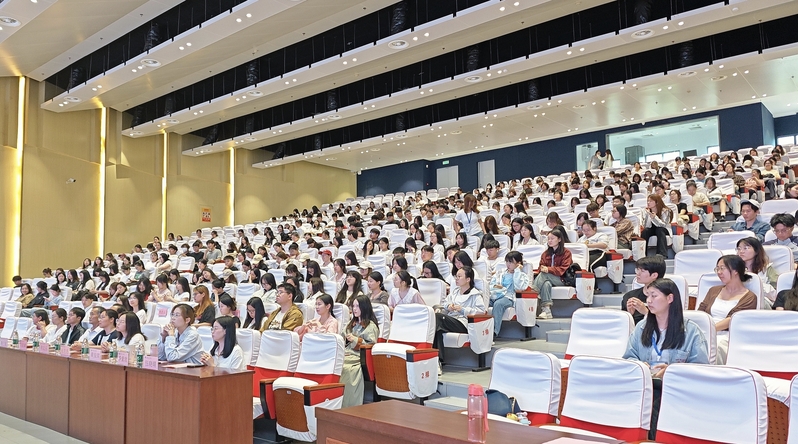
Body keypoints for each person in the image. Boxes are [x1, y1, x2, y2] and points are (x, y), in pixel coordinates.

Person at [622, 278, 710, 439]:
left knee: (654, 402)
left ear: (670, 298)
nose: (648, 300)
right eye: (648, 296)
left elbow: (701, 369)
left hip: (676, 388)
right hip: (646, 384)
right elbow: (628, 358)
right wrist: (639, 365)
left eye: (654, 296)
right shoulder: (641, 328)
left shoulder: (691, 331)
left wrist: (672, 370)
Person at [697, 255, 757, 364]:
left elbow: (733, 319)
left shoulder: (749, 297)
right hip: (705, 329)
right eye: (717, 269)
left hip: (728, 334)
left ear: (735, 271)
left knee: (716, 345)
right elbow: (701, 312)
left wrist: (709, 330)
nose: (719, 272)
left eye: (722, 268)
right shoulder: (713, 290)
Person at [434, 266, 485, 373]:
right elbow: (445, 303)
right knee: (437, 330)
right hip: (451, 320)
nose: (456, 279)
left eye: (459, 276)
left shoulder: (475, 294)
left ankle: (432, 358)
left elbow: (481, 312)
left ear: (468, 279)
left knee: (437, 318)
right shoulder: (455, 292)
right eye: (456, 276)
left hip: (463, 323)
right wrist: (448, 306)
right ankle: (437, 360)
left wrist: (463, 310)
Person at [340, 295, 379, 408]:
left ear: (364, 307)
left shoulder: (370, 326)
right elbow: (341, 338)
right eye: (353, 306)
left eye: (358, 306)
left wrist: (355, 340)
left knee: (348, 369)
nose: (355, 309)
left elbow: (371, 346)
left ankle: (349, 405)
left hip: (359, 357)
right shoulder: (350, 324)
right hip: (346, 354)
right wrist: (345, 339)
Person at [532, 228, 572, 319]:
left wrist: (548, 269)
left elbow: (563, 269)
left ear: (559, 239)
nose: (549, 241)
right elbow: (541, 267)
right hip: (548, 278)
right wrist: (543, 269)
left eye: (552, 238)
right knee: (546, 283)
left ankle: (533, 292)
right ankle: (546, 311)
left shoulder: (566, 253)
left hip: (562, 279)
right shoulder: (545, 254)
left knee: (544, 275)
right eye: (548, 239)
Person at [488, 251, 530, 336]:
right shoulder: (500, 273)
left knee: (498, 304)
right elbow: (491, 285)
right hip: (496, 295)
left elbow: (519, 288)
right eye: (507, 261)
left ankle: (493, 332)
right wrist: (496, 287)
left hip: (509, 297)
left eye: (511, 262)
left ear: (518, 263)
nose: (508, 264)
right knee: (484, 302)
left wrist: (517, 271)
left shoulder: (522, 276)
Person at [622, 256, 667, 325]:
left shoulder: (665, 297)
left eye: (642, 271)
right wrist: (629, 315)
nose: (638, 273)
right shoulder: (629, 296)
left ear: (654, 275)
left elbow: (668, 322)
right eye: (637, 270)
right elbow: (623, 325)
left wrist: (646, 312)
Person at [735, 237, 778, 306]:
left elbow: (776, 294)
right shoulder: (734, 269)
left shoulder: (767, 268)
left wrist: (757, 283)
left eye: (746, 248)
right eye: (739, 249)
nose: (741, 251)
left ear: (756, 251)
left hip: (762, 301)